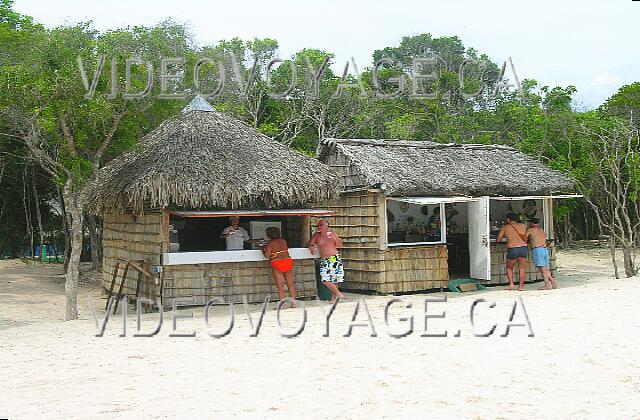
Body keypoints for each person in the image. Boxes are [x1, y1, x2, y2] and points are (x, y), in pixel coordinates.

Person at [308, 220, 345, 303]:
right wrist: (311, 247)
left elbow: (339, 246)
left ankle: (333, 299)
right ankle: (339, 293)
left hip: (334, 258)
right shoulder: (316, 235)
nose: (319, 227)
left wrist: (335, 239)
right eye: (318, 225)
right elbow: (310, 243)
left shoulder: (333, 234)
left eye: (321, 225)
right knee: (324, 280)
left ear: (326, 226)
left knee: (335, 279)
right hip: (324, 259)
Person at [263, 227, 297, 307]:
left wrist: (262, 250)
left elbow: (267, 256)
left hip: (277, 262)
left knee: (280, 286)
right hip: (288, 261)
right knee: (290, 284)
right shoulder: (283, 240)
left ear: (268, 235)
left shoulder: (270, 243)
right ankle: (293, 303)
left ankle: (283, 305)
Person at [496, 212, 529, 291]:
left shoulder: (505, 227)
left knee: (509, 268)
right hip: (523, 248)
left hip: (513, 248)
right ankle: (521, 287)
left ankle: (511, 284)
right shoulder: (523, 225)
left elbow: (498, 239)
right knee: (522, 268)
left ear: (508, 219)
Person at [527, 218, 557, 290]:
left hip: (537, 249)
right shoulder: (542, 230)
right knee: (545, 268)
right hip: (544, 249)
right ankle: (551, 279)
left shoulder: (530, 230)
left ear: (531, 223)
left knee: (542, 268)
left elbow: (524, 238)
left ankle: (547, 284)